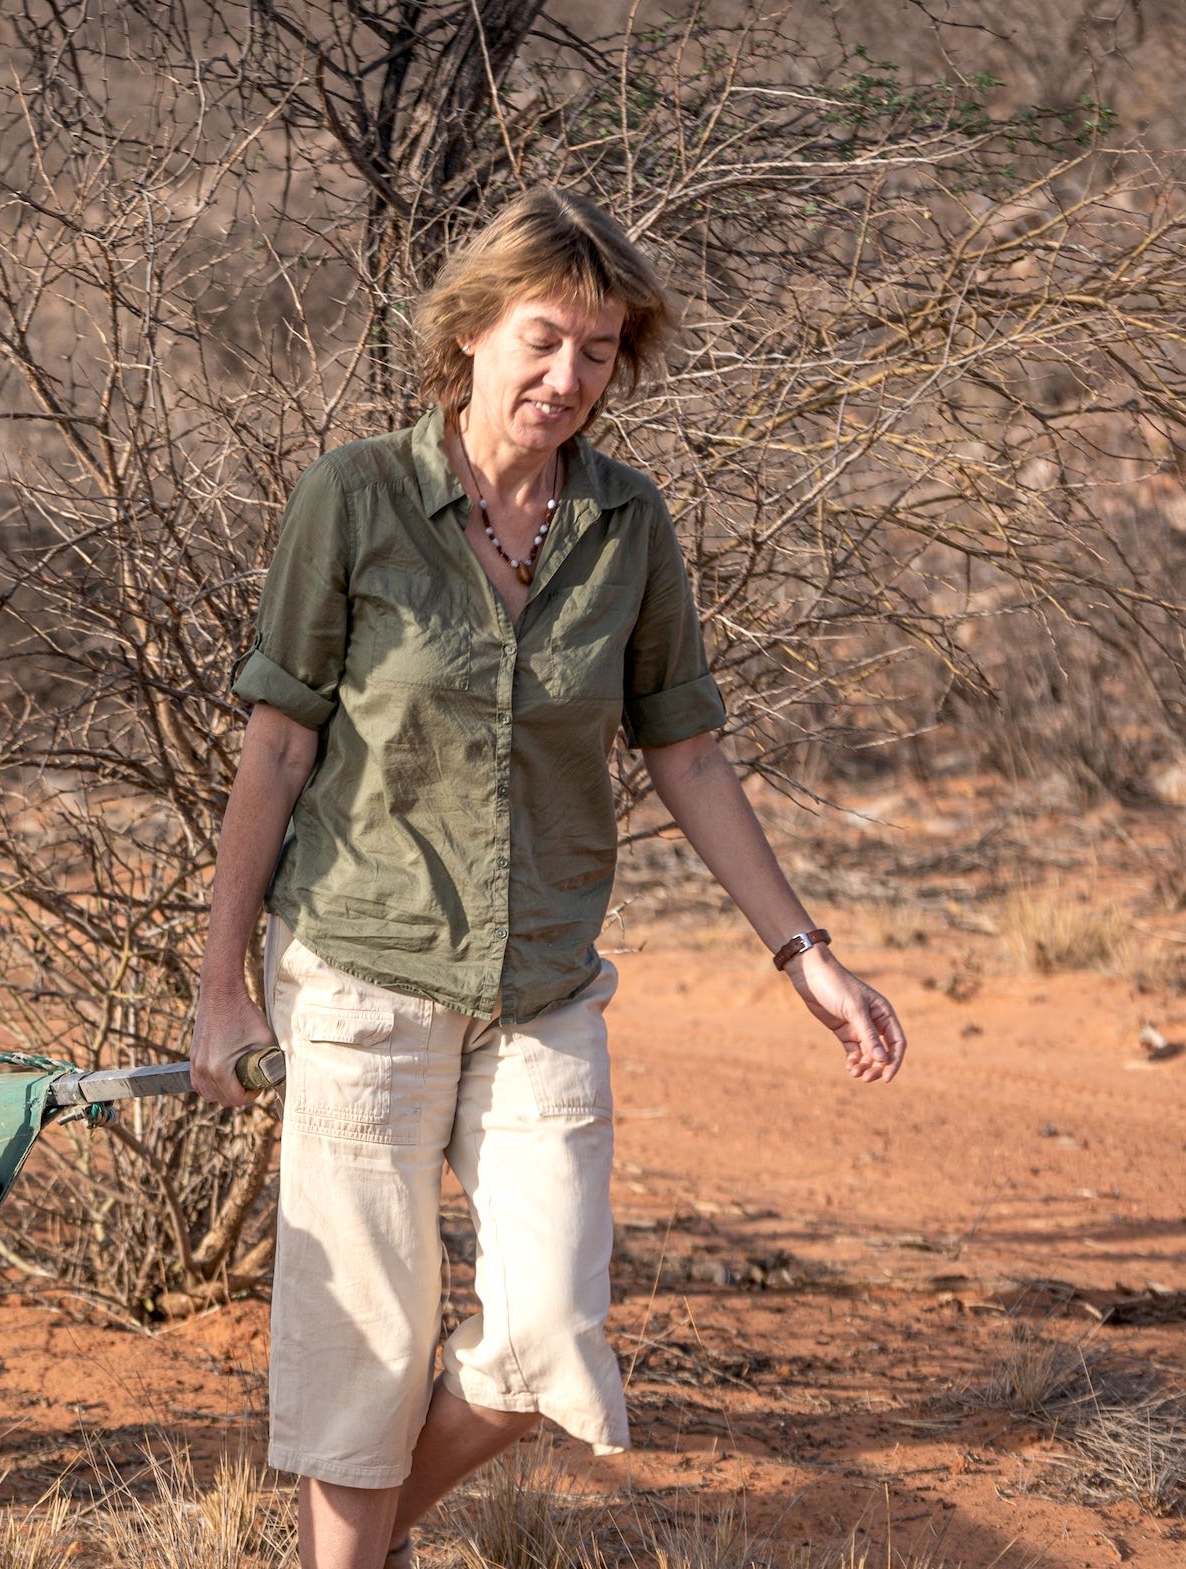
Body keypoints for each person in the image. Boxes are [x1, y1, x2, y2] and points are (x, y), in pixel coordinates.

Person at [189, 189, 907, 1569]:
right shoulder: (355, 499)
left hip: (544, 986)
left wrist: (803, 953)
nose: (567, 377)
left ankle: (349, 1546)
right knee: (362, 1354)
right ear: (469, 334)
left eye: (598, 351)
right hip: (359, 972)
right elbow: (276, 749)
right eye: (542, 340)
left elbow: (687, 754)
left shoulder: (630, 528)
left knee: (547, 1335)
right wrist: (223, 990)